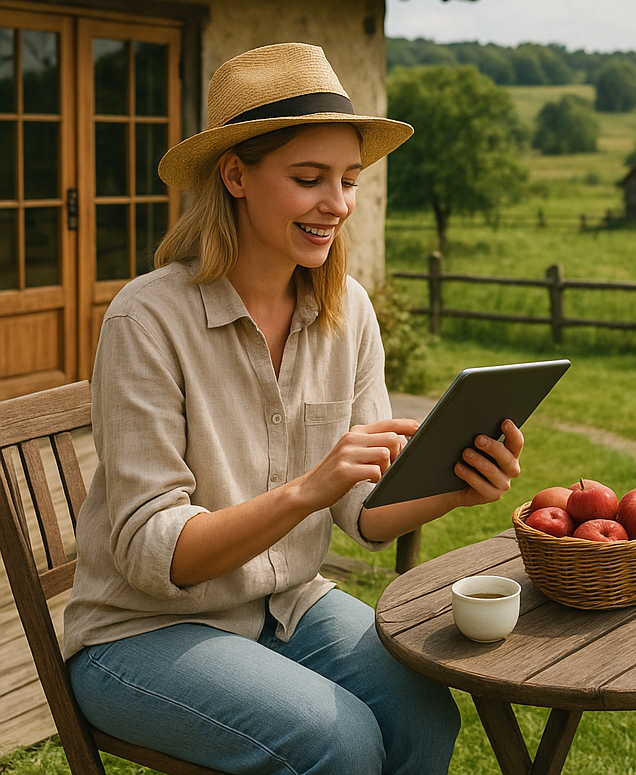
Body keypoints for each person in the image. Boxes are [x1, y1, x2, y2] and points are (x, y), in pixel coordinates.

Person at [63, 43, 525, 775]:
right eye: (309, 179)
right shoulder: (146, 319)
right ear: (235, 176)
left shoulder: (348, 312)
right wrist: (309, 488)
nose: (337, 204)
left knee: (425, 713)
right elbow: (153, 555)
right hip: (140, 632)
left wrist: (452, 487)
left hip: (285, 604)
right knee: (338, 741)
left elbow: (364, 511)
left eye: (348, 180)